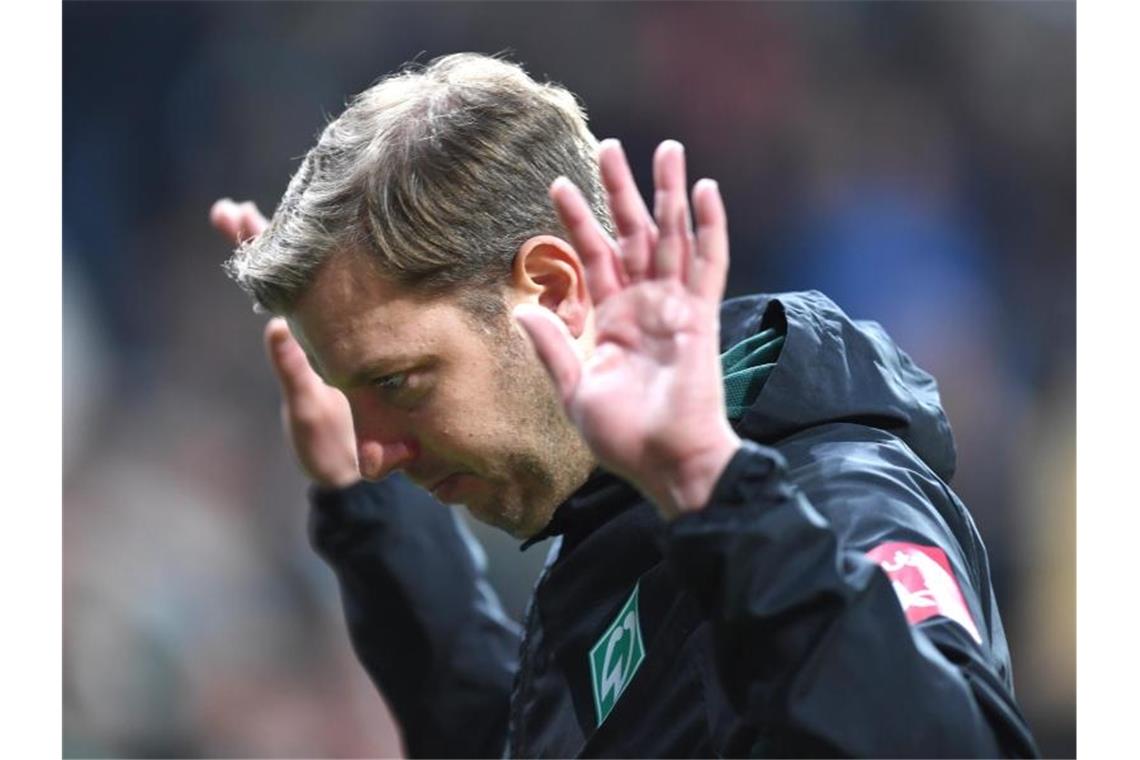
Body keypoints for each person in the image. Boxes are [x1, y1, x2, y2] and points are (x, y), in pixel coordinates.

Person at [214, 53, 1039, 757]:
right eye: (347, 392)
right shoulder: (618, 532)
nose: (372, 450)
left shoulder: (832, 500)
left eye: (397, 383)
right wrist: (371, 523)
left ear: (552, 289)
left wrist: (712, 487)